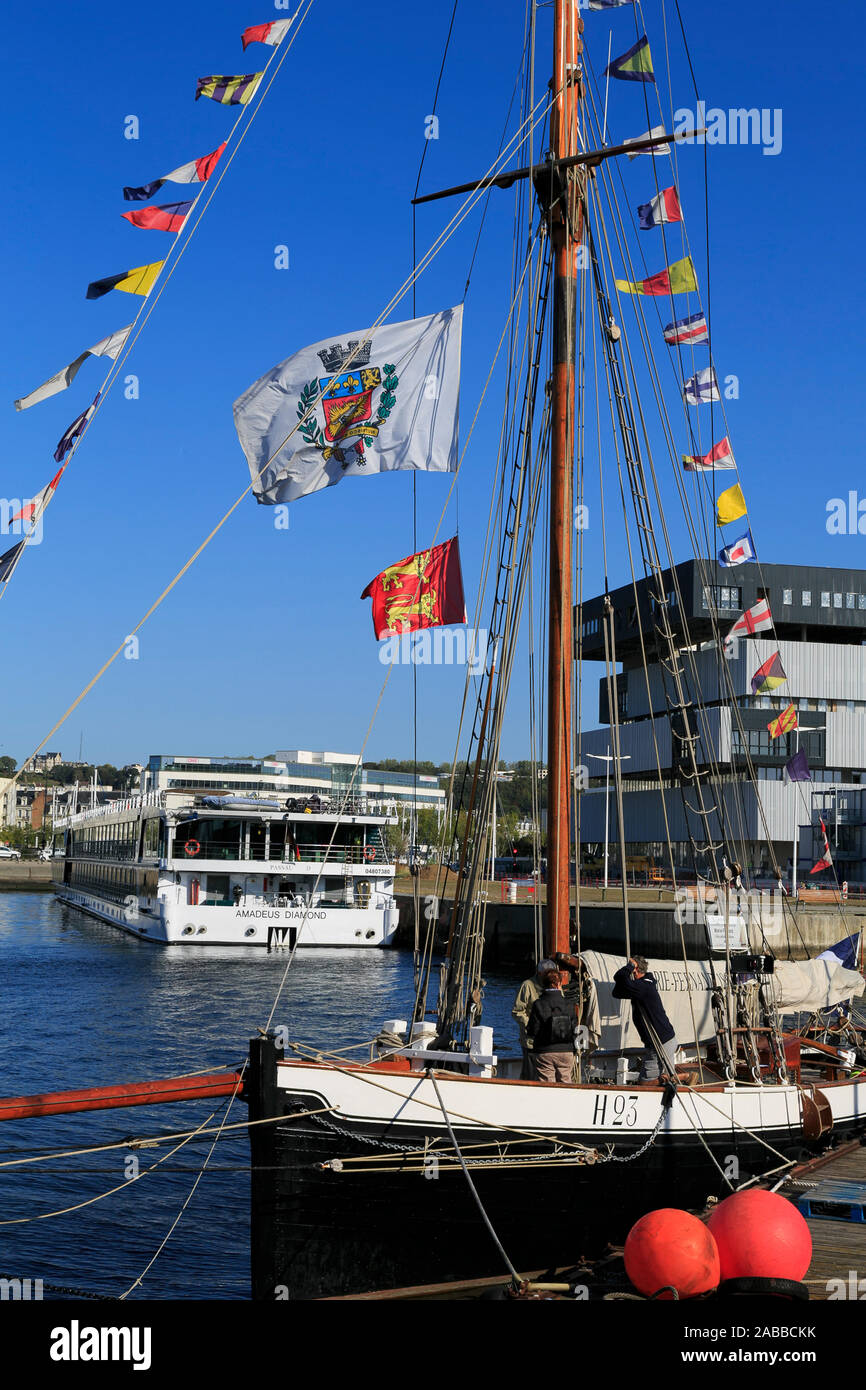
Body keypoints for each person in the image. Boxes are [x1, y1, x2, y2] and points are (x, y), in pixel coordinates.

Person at [612, 954, 677, 1083]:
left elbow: (618, 976)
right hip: (664, 1040)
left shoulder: (643, 987)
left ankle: (680, 1077)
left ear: (635, 971)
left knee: (645, 1082)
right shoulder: (641, 986)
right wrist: (628, 973)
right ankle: (674, 1077)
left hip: (659, 1042)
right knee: (657, 1078)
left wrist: (630, 966)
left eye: (632, 969)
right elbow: (616, 992)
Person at [527, 969, 576, 1083]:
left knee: (547, 1086)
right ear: (559, 983)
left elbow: (533, 1030)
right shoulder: (569, 1004)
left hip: (545, 1051)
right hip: (566, 1051)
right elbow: (574, 1028)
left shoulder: (538, 1004)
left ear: (543, 984)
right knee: (566, 1084)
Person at [512, 958, 556, 1078]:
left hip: (550, 1041)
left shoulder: (554, 985)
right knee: (530, 1073)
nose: (551, 977)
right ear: (540, 973)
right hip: (531, 1040)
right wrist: (532, 1026)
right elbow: (517, 1011)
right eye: (548, 974)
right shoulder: (527, 985)